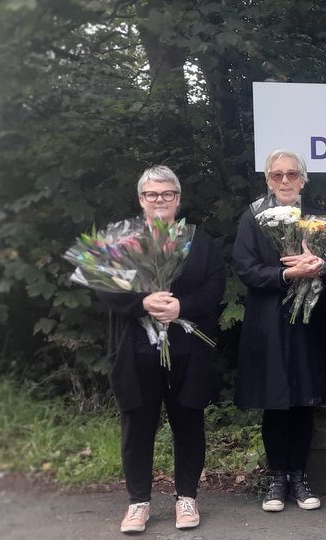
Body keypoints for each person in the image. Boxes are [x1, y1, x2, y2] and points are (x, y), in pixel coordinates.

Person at [99, 165, 225, 533]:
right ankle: (138, 502)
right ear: (141, 199)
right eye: (152, 195)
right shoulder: (121, 241)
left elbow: (214, 286)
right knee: (137, 425)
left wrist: (181, 307)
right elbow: (105, 290)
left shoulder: (199, 241)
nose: (160, 201)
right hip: (136, 350)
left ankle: (187, 497)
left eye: (167, 194)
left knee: (189, 421)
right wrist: (144, 301)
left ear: (178, 199)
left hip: (186, 349)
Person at [233, 149, 326, 513]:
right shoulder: (253, 217)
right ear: (268, 180)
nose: (285, 181)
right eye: (277, 175)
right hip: (269, 320)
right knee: (275, 401)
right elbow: (245, 268)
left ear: (303, 179)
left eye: (292, 174)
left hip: (307, 320)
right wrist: (287, 274)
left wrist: (321, 264)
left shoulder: (318, 220)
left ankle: (300, 477)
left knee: (305, 400)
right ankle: (277, 478)